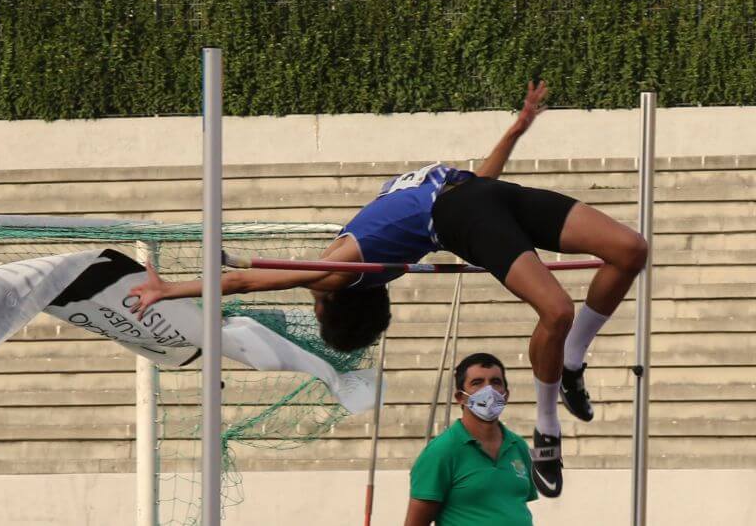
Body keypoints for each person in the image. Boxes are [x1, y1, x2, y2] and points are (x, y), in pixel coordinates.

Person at [129, 80, 647, 497]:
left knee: (630, 250)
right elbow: (245, 279)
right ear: (336, 296)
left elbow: (475, 187)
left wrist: (515, 129)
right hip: (463, 212)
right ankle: (547, 431)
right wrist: (170, 288)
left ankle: (573, 359)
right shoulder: (337, 271)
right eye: (316, 296)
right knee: (555, 309)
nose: (314, 289)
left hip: (483, 194)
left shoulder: (359, 262)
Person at [404, 353, 537, 526]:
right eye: (477, 383)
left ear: (506, 395)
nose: (488, 390)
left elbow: (513, 508)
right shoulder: (441, 451)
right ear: (460, 397)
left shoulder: (518, 446)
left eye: (496, 382)